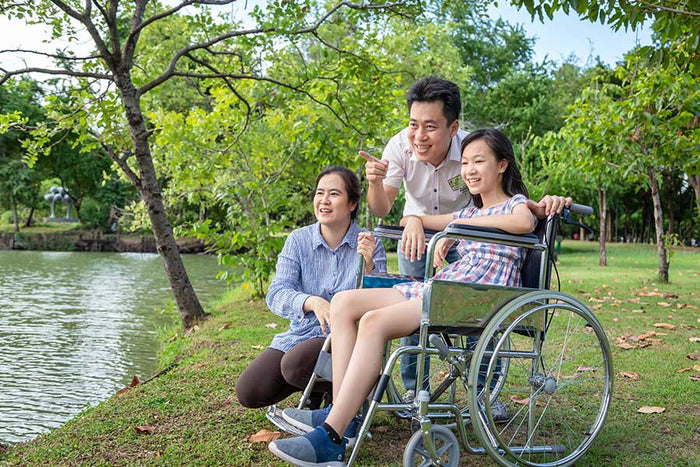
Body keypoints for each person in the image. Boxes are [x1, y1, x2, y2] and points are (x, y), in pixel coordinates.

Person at [269, 128, 537, 466]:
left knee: (373, 322)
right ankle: (345, 414)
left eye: (478, 161)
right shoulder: (467, 212)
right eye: (465, 162)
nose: (469, 169)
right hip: (449, 285)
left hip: (476, 294)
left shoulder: (513, 205)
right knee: (344, 302)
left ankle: (332, 437)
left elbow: (525, 221)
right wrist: (417, 222)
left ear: (502, 165)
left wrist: (453, 232)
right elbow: (420, 217)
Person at [363, 76, 571, 401]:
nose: (419, 135)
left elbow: (512, 205)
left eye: (430, 126)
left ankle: (487, 392)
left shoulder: (473, 149)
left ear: (453, 127)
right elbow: (382, 209)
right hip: (434, 230)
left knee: (476, 313)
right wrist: (393, 200)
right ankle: (415, 389)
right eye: (413, 125)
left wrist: (461, 228)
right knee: (413, 314)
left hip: (475, 237)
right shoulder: (400, 146)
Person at [235, 166, 387, 409]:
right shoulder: (298, 239)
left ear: (352, 204)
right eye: (319, 193)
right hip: (302, 332)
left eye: (334, 194)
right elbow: (276, 292)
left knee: (294, 365)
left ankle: (350, 392)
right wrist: (312, 302)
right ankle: (326, 390)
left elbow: (382, 302)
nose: (324, 201)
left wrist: (369, 268)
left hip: (347, 338)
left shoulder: (368, 242)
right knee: (249, 391)